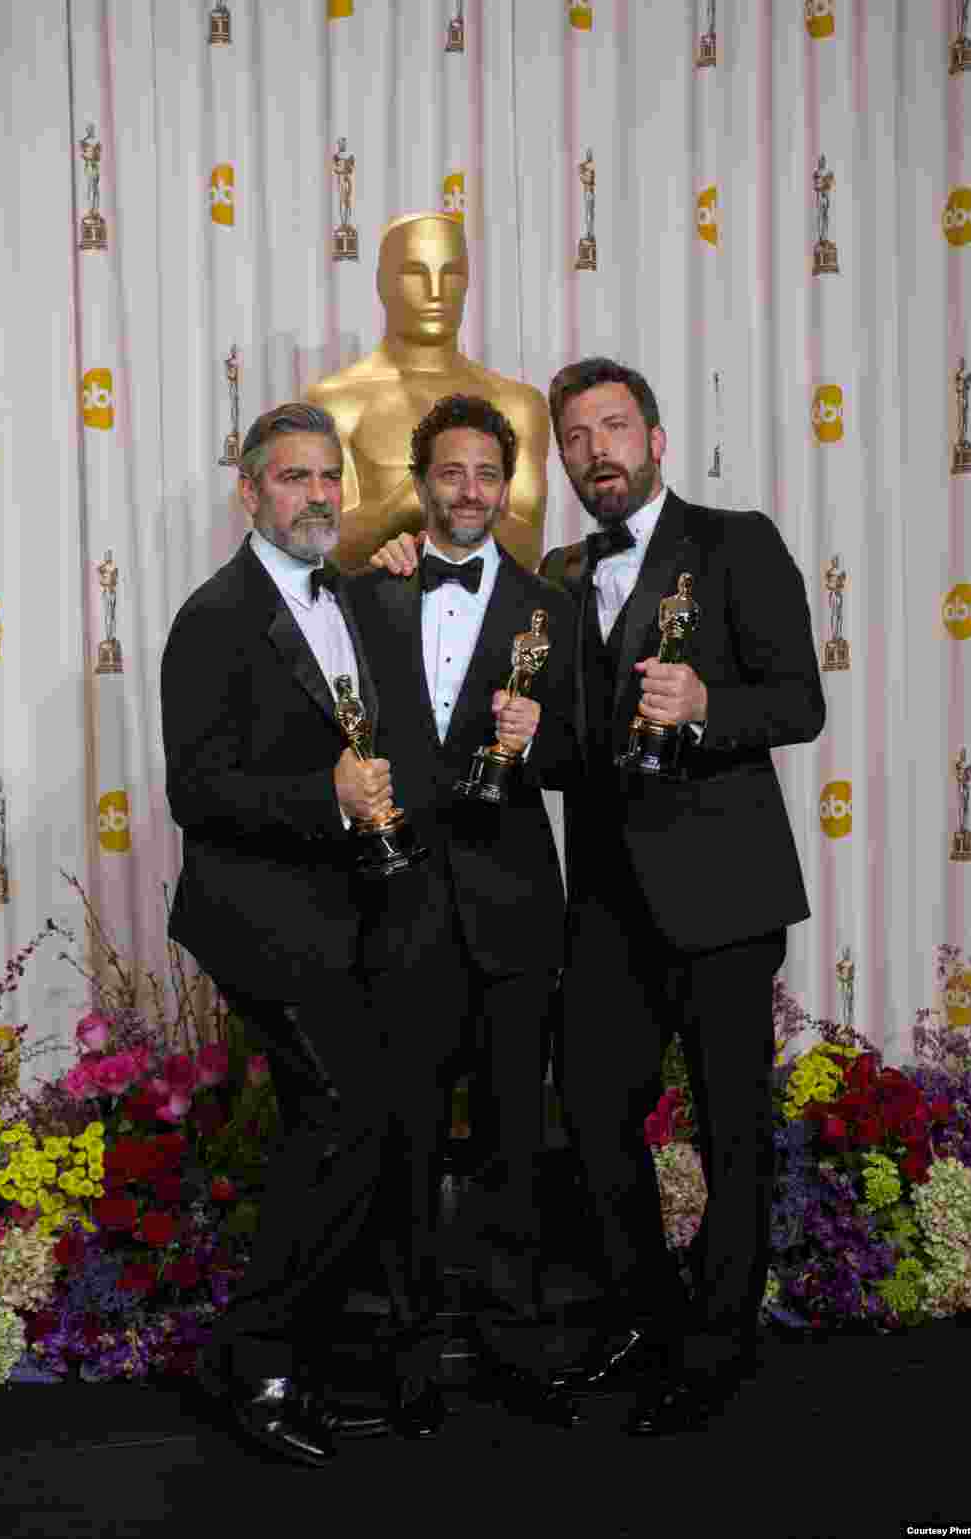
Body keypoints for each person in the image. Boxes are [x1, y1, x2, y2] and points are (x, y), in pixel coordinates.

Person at [371, 357, 826, 1435]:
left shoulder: (735, 541)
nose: (595, 453)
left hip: (724, 897)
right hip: (608, 905)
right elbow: (571, 750)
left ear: (655, 438)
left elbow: (799, 700)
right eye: (575, 439)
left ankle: (716, 1347)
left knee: (729, 1128)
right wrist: (526, 747)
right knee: (593, 1113)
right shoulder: (563, 576)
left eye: (612, 429)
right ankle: (646, 1313)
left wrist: (709, 701)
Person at [161, 402, 398, 1467]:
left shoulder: (347, 595)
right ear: (249, 495)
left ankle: (288, 1358)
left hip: (338, 911)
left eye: (327, 478)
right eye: (293, 478)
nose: (315, 496)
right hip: (256, 915)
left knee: (340, 1126)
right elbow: (195, 790)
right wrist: (327, 795)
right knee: (347, 1113)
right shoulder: (214, 616)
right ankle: (249, 1366)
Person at [345, 392, 581, 1434]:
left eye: (488, 473)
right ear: (421, 479)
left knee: (511, 1142)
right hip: (397, 904)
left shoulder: (552, 610)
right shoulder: (365, 597)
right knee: (401, 1138)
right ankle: (407, 1358)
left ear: (508, 481)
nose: (471, 491)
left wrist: (544, 737)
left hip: (515, 912)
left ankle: (513, 1342)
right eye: (451, 473)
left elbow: (589, 756)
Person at [305, 210, 549, 572]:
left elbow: (527, 549)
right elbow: (325, 546)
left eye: (450, 273)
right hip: (373, 619)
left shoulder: (519, 404)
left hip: (494, 620)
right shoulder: (335, 404)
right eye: (415, 273)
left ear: (467, 283)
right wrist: (429, 501)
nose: (435, 291)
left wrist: (407, 508)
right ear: (382, 283)